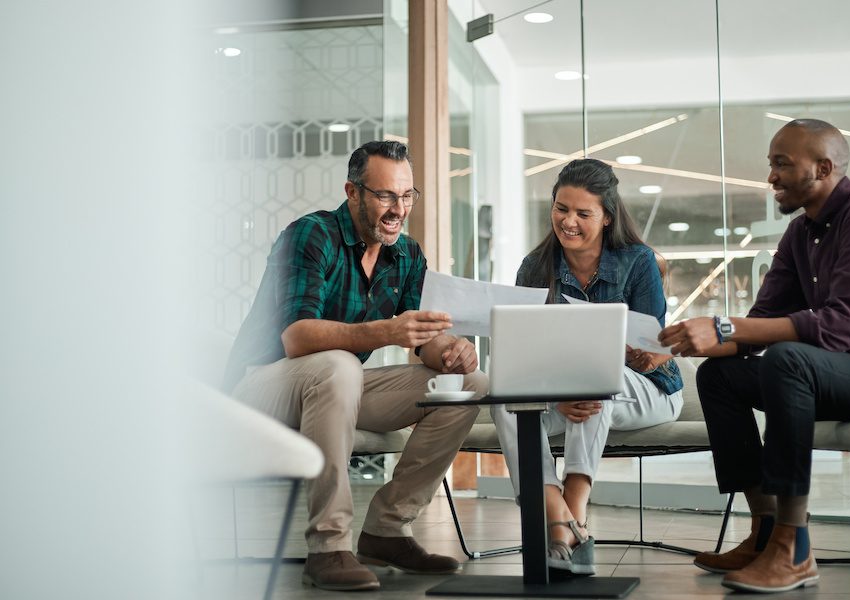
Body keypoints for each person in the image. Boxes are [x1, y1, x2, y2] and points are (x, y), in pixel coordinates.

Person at [659, 119, 850, 593]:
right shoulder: (801, 234)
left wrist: (723, 325)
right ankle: (763, 531)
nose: (771, 176)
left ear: (822, 168)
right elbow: (758, 327)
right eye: (771, 164)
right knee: (721, 376)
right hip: (848, 374)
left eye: (782, 163)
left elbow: (838, 327)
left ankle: (794, 547)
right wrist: (675, 345)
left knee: (789, 359)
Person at [222, 140, 487, 592]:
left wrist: (450, 351)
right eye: (385, 195)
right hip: (261, 387)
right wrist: (388, 331)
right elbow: (297, 337)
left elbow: (418, 335)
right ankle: (328, 546)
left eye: (406, 196)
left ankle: (387, 529)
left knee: (468, 384)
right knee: (340, 365)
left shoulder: (405, 254)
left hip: (333, 385)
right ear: (353, 191)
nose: (397, 209)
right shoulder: (311, 235)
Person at [491, 158, 684, 576]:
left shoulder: (637, 261)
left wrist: (641, 353)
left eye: (583, 213)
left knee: (592, 379)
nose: (569, 222)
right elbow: (525, 350)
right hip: (565, 392)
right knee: (505, 401)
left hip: (647, 389)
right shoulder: (535, 267)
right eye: (561, 209)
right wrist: (557, 393)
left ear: (607, 217)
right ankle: (558, 518)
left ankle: (570, 515)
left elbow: (656, 344)